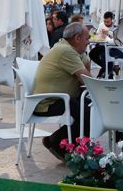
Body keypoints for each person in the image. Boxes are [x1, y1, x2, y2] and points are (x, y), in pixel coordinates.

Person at [34, 23, 92, 161]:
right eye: (87, 38)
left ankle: (59, 142)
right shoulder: (65, 51)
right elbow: (88, 80)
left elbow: (86, 64)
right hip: (46, 103)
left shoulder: (67, 47)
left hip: (58, 99)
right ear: (77, 38)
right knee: (87, 112)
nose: (89, 41)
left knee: (89, 106)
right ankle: (58, 142)